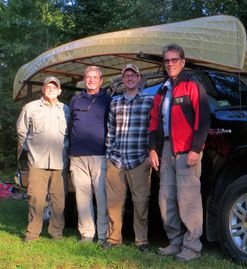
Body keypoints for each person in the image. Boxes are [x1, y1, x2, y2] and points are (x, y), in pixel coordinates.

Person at [148, 44, 210, 262]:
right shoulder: (162, 90)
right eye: (167, 60)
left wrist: (196, 148)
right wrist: (152, 149)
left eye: (174, 60)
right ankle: (175, 242)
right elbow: (154, 122)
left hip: (187, 151)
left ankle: (192, 247)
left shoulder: (192, 85)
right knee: (166, 199)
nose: (170, 64)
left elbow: (203, 119)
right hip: (165, 151)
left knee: (189, 201)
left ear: (183, 62)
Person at [103, 64, 154, 251]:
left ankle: (142, 240)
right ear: (123, 79)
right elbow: (111, 130)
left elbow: (154, 128)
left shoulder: (149, 100)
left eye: (134, 75)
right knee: (114, 202)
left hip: (139, 159)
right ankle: (114, 238)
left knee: (141, 202)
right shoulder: (115, 102)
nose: (130, 78)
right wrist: (109, 153)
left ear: (139, 78)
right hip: (116, 159)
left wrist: (151, 153)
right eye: (126, 75)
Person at [16, 76, 70, 241]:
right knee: (36, 199)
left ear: (59, 91)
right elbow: (21, 131)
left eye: (55, 87)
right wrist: (29, 152)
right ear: (43, 89)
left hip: (60, 162)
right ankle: (32, 233)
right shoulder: (30, 108)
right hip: (37, 162)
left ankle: (56, 233)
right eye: (48, 86)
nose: (52, 89)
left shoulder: (66, 109)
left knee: (59, 202)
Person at [69, 66, 112, 243]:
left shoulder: (108, 100)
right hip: (77, 156)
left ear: (101, 81)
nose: (91, 80)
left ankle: (103, 236)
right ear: (84, 79)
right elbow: (71, 123)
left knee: (102, 197)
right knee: (82, 198)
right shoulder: (75, 99)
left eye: (95, 77)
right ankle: (87, 234)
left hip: (100, 155)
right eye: (88, 77)